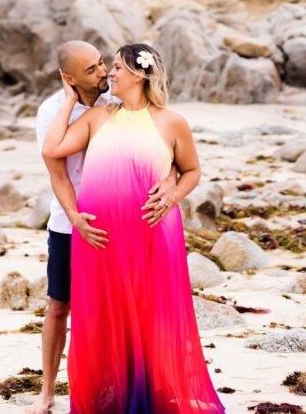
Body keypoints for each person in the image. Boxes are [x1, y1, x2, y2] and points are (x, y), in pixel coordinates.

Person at [41, 42, 225, 413]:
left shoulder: (172, 122)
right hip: (99, 239)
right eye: (106, 67)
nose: (110, 73)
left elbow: (192, 171)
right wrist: (65, 100)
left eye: (118, 68)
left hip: (153, 233)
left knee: (150, 314)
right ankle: (111, 392)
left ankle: (152, 389)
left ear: (140, 75)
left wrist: (173, 192)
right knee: (103, 317)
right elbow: (53, 148)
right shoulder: (96, 117)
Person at [29, 40, 179, 414]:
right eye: (92, 70)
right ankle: (47, 392)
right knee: (60, 305)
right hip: (72, 221)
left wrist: (173, 178)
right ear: (68, 78)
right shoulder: (51, 112)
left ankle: (123, 385)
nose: (103, 74)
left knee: (124, 309)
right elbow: (58, 173)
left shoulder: (114, 98)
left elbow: (159, 146)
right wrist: (75, 217)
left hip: (124, 226)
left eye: (103, 64)